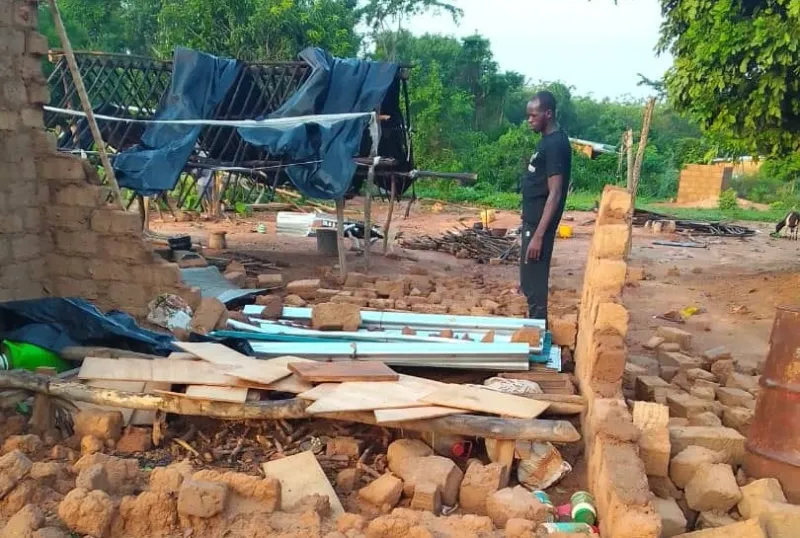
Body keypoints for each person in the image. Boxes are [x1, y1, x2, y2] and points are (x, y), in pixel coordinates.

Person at [519, 90, 572, 320]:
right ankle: (536, 330)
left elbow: (556, 192)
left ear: (548, 114)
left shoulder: (556, 144)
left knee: (534, 283)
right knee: (529, 280)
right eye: (528, 115)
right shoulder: (547, 141)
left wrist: (538, 235)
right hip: (532, 222)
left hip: (539, 227)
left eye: (534, 115)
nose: (529, 119)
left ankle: (538, 337)